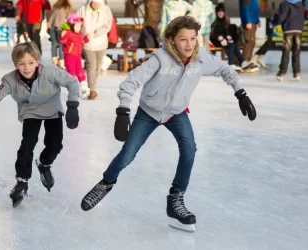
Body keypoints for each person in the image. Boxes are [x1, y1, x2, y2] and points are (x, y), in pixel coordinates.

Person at [80, 16, 257, 232]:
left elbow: (225, 70)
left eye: (193, 38)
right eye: (183, 39)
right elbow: (131, 81)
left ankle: (176, 199)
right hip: (148, 112)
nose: (189, 44)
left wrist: (241, 93)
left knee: (190, 150)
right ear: (172, 40)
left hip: (176, 113)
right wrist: (123, 111)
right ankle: (106, 183)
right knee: (127, 154)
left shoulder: (200, 58)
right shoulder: (160, 58)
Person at [0, 42, 81, 208]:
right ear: (15, 64)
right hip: (29, 111)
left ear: (37, 61)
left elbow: (73, 82)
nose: (26, 67)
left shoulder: (50, 71)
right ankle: (22, 182)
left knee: (55, 144)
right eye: (21, 63)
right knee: (27, 145)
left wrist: (72, 105)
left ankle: (44, 163)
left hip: (52, 108)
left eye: (31, 62)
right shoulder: (9, 80)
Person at [77, 0, 113, 100]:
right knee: (91, 65)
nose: (95, 5)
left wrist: (96, 33)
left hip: (101, 42)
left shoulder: (106, 10)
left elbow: (107, 26)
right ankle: (92, 89)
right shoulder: (83, 9)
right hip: (87, 43)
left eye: (98, 3)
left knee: (97, 67)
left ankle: (92, 84)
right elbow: (75, 22)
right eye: (93, 2)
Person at [210, 3, 254, 71]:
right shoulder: (215, 23)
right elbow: (213, 35)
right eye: (219, 12)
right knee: (231, 44)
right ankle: (233, 63)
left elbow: (227, 31)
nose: (220, 13)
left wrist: (229, 36)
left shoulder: (226, 20)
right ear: (216, 13)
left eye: (222, 12)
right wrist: (220, 38)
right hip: (217, 41)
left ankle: (242, 62)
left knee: (233, 43)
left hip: (225, 40)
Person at [272, 0, 305, 82]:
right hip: (298, 29)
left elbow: (282, 16)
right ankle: (297, 73)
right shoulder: (300, 4)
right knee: (296, 51)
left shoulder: (285, 4)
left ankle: (282, 73)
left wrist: (275, 22)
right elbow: (303, 16)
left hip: (289, 29)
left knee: (286, 51)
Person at [60, 14, 91, 99]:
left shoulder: (79, 34)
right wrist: (63, 34)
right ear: (71, 25)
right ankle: (71, 90)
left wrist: (86, 39)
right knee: (71, 73)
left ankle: (84, 88)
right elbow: (62, 41)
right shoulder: (68, 33)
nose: (78, 28)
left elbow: (81, 42)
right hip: (70, 56)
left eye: (80, 26)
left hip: (77, 56)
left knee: (80, 71)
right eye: (77, 26)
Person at [48, 0, 72, 69]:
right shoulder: (67, 7)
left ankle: (54, 61)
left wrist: (49, 26)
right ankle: (61, 62)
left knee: (54, 44)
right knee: (61, 45)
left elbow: (52, 16)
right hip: (61, 28)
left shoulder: (56, 6)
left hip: (52, 27)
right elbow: (69, 18)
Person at [239, 0, 260, 72]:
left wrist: (257, 20)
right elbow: (245, 8)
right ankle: (245, 62)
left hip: (253, 21)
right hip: (249, 22)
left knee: (252, 42)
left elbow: (254, 9)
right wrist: (248, 21)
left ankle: (248, 60)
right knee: (249, 41)